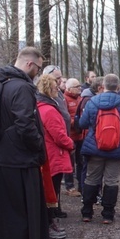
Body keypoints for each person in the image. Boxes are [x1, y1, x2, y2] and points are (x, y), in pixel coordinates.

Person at [0, 47, 51, 239]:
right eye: (39, 68)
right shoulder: (21, 87)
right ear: (30, 64)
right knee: (21, 209)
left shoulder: (1, 82)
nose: (39, 73)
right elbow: (25, 123)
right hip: (20, 158)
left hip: (3, 154)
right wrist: (38, 147)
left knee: (6, 207)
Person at [78, 74, 120, 223]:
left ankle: (86, 212)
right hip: (117, 148)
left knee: (91, 178)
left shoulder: (93, 102)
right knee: (112, 181)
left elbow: (82, 124)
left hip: (95, 148)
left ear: (104, 86)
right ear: (118, 87)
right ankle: (108, 214)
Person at [36, 74, 74, 239]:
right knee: (51, 190)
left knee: (51, 189)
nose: (58, 89)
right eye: (54, 87)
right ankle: (49, 222)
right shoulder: (48, 109)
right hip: (53, 155)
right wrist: (70, 144)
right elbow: (58, 134)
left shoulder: (41, 106)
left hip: (49, 153)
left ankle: (49, 221)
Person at [42, 65, 73, 217]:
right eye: (57, 79)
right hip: (54, 147)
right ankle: (51, 214)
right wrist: (69, 143)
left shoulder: (57, 97)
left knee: (55, 182)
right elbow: (56, 131)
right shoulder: (48, 108)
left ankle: (55, 209)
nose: (60, 82)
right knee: (52, 183)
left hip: (59, 145)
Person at [75, 76, 103, 192]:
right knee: (86, 168)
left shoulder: (94, 98)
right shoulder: (88, 100)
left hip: (93, 137)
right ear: (100, 88)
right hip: (88, 137)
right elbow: (83, 121)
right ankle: (84, 192)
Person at [64, 77, 83, 195]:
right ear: (70, 89)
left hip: (80, 135)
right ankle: (69, 186)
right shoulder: (64, 99)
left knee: (80, 161)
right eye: (77, 87)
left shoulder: (80, 99)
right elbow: (65, 117)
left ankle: (81, 184)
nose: (79, 88)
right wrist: (75, 123)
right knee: (69, 163)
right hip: (70, 136)